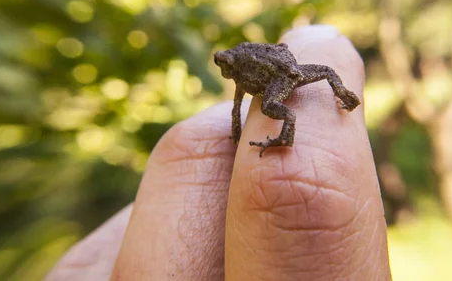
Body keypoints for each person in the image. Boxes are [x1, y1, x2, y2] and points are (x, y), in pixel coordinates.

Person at [46, 25, 392, 280]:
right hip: (291, 68)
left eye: (224, 63)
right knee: (326, 72)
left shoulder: (240, 78)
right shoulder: (242, 72)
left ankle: (288, 135)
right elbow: (240, 102)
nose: (225, 66)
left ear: (229, 66)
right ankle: (341, 94)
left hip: (281, 76)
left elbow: (237, 109)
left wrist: (236, 138)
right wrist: (238, 134)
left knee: (277, 107)